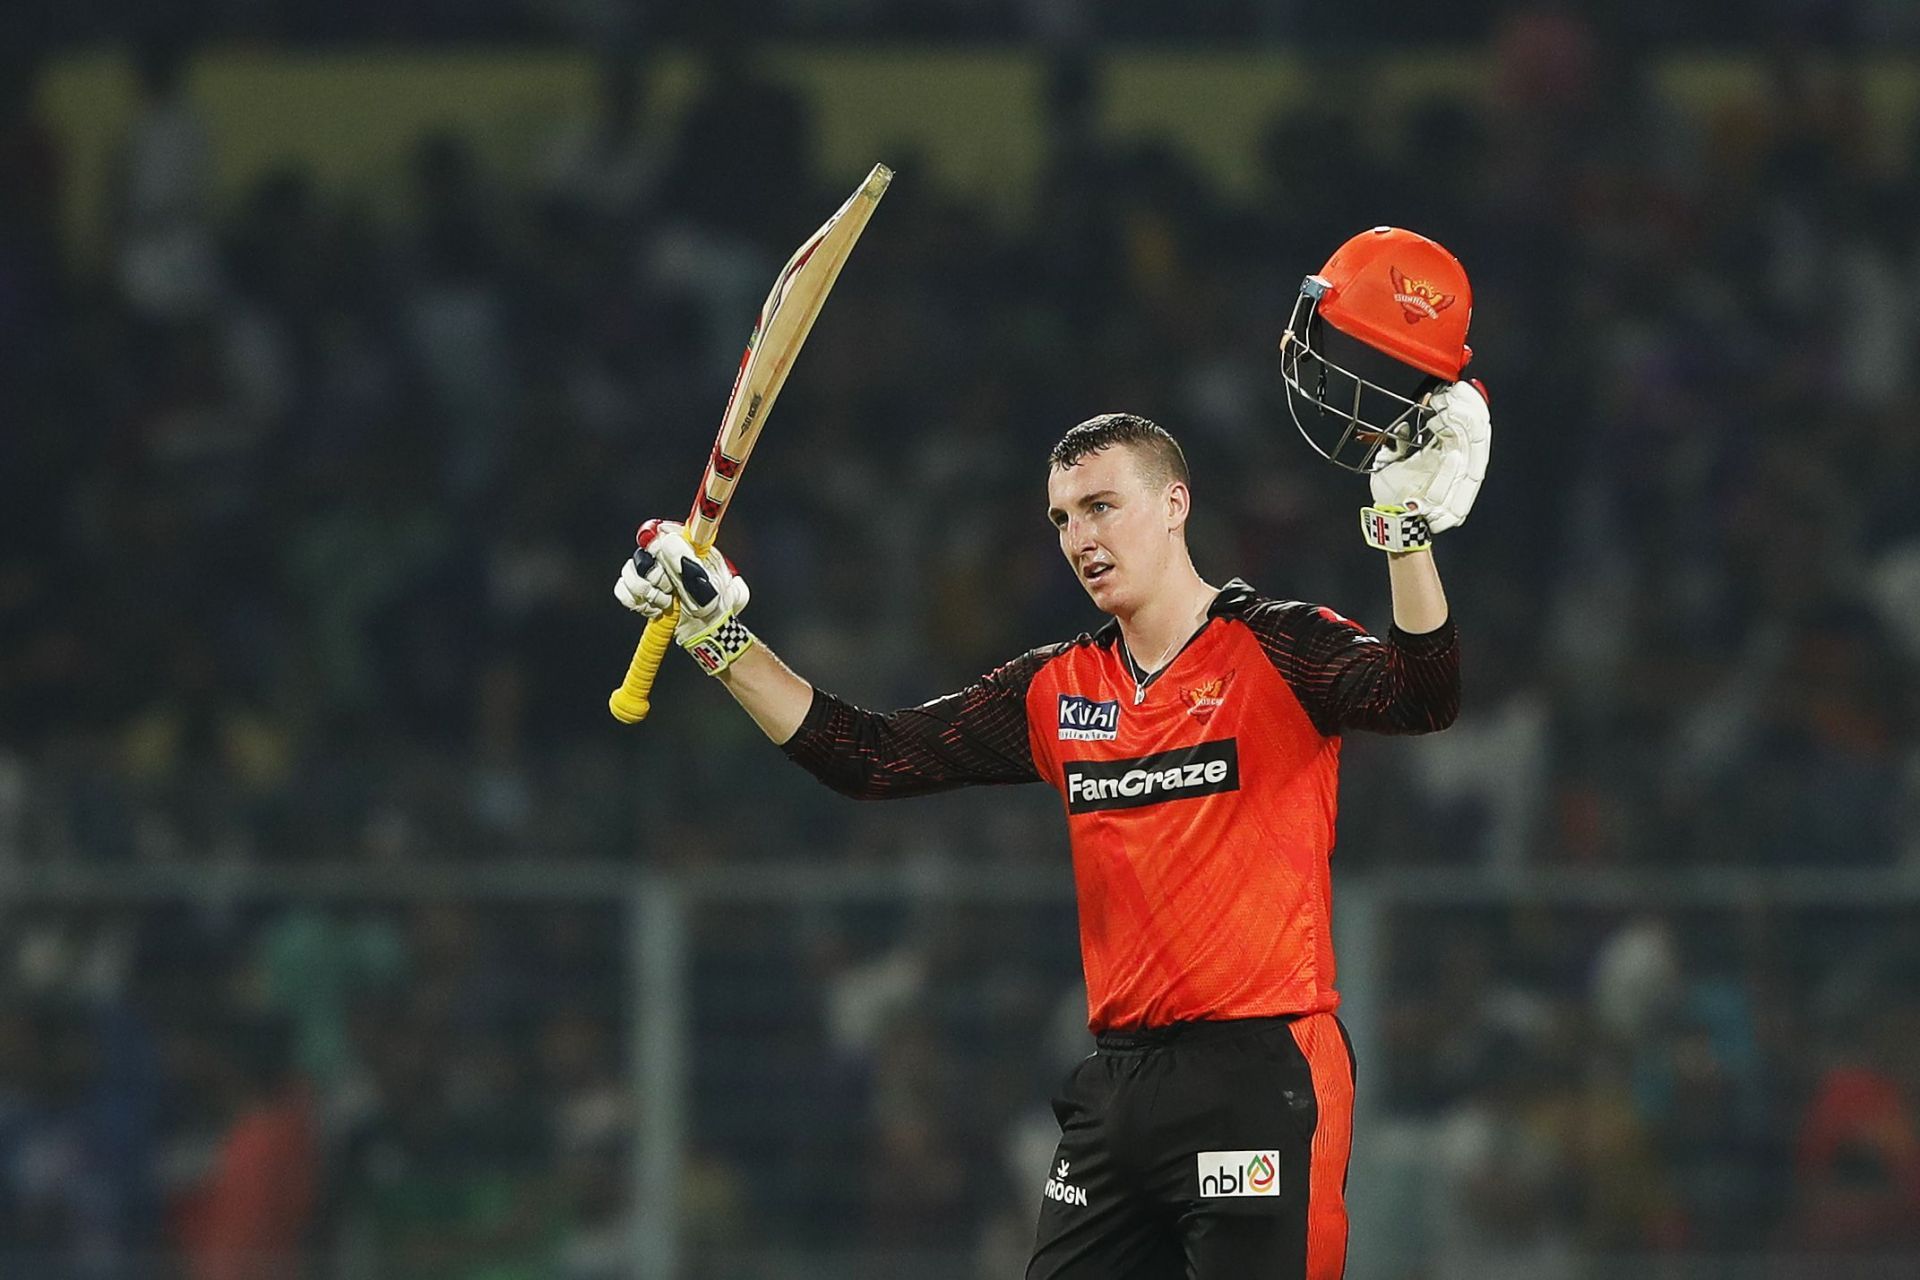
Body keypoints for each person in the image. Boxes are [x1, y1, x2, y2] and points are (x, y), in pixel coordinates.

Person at [613, 228, 1490, 1279]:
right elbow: (867, 754)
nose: (1080, 536)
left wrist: (1407, 538)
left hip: (1263, 1067)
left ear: (1176, 505)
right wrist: (718, 635)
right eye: (1063, 517)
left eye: (1102, 505)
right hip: (1117, 1088)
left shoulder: (1282, 645)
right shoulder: (1055, 687)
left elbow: (1423, 694)